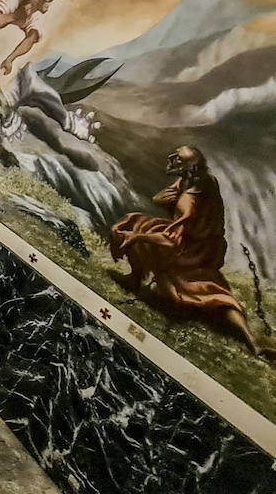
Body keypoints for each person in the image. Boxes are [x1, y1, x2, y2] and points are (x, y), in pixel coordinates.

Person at [109, 145, 273, 357]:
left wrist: (136, 237)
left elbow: (171, 241)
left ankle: (136, 278)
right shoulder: (203, 181)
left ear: (191, 167)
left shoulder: (187, 201)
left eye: (178, 159)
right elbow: (163, 200)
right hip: (206, 248)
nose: (172, 159)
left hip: (186, 252)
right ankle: (252, 343)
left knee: (138, 228)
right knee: (214, 291)